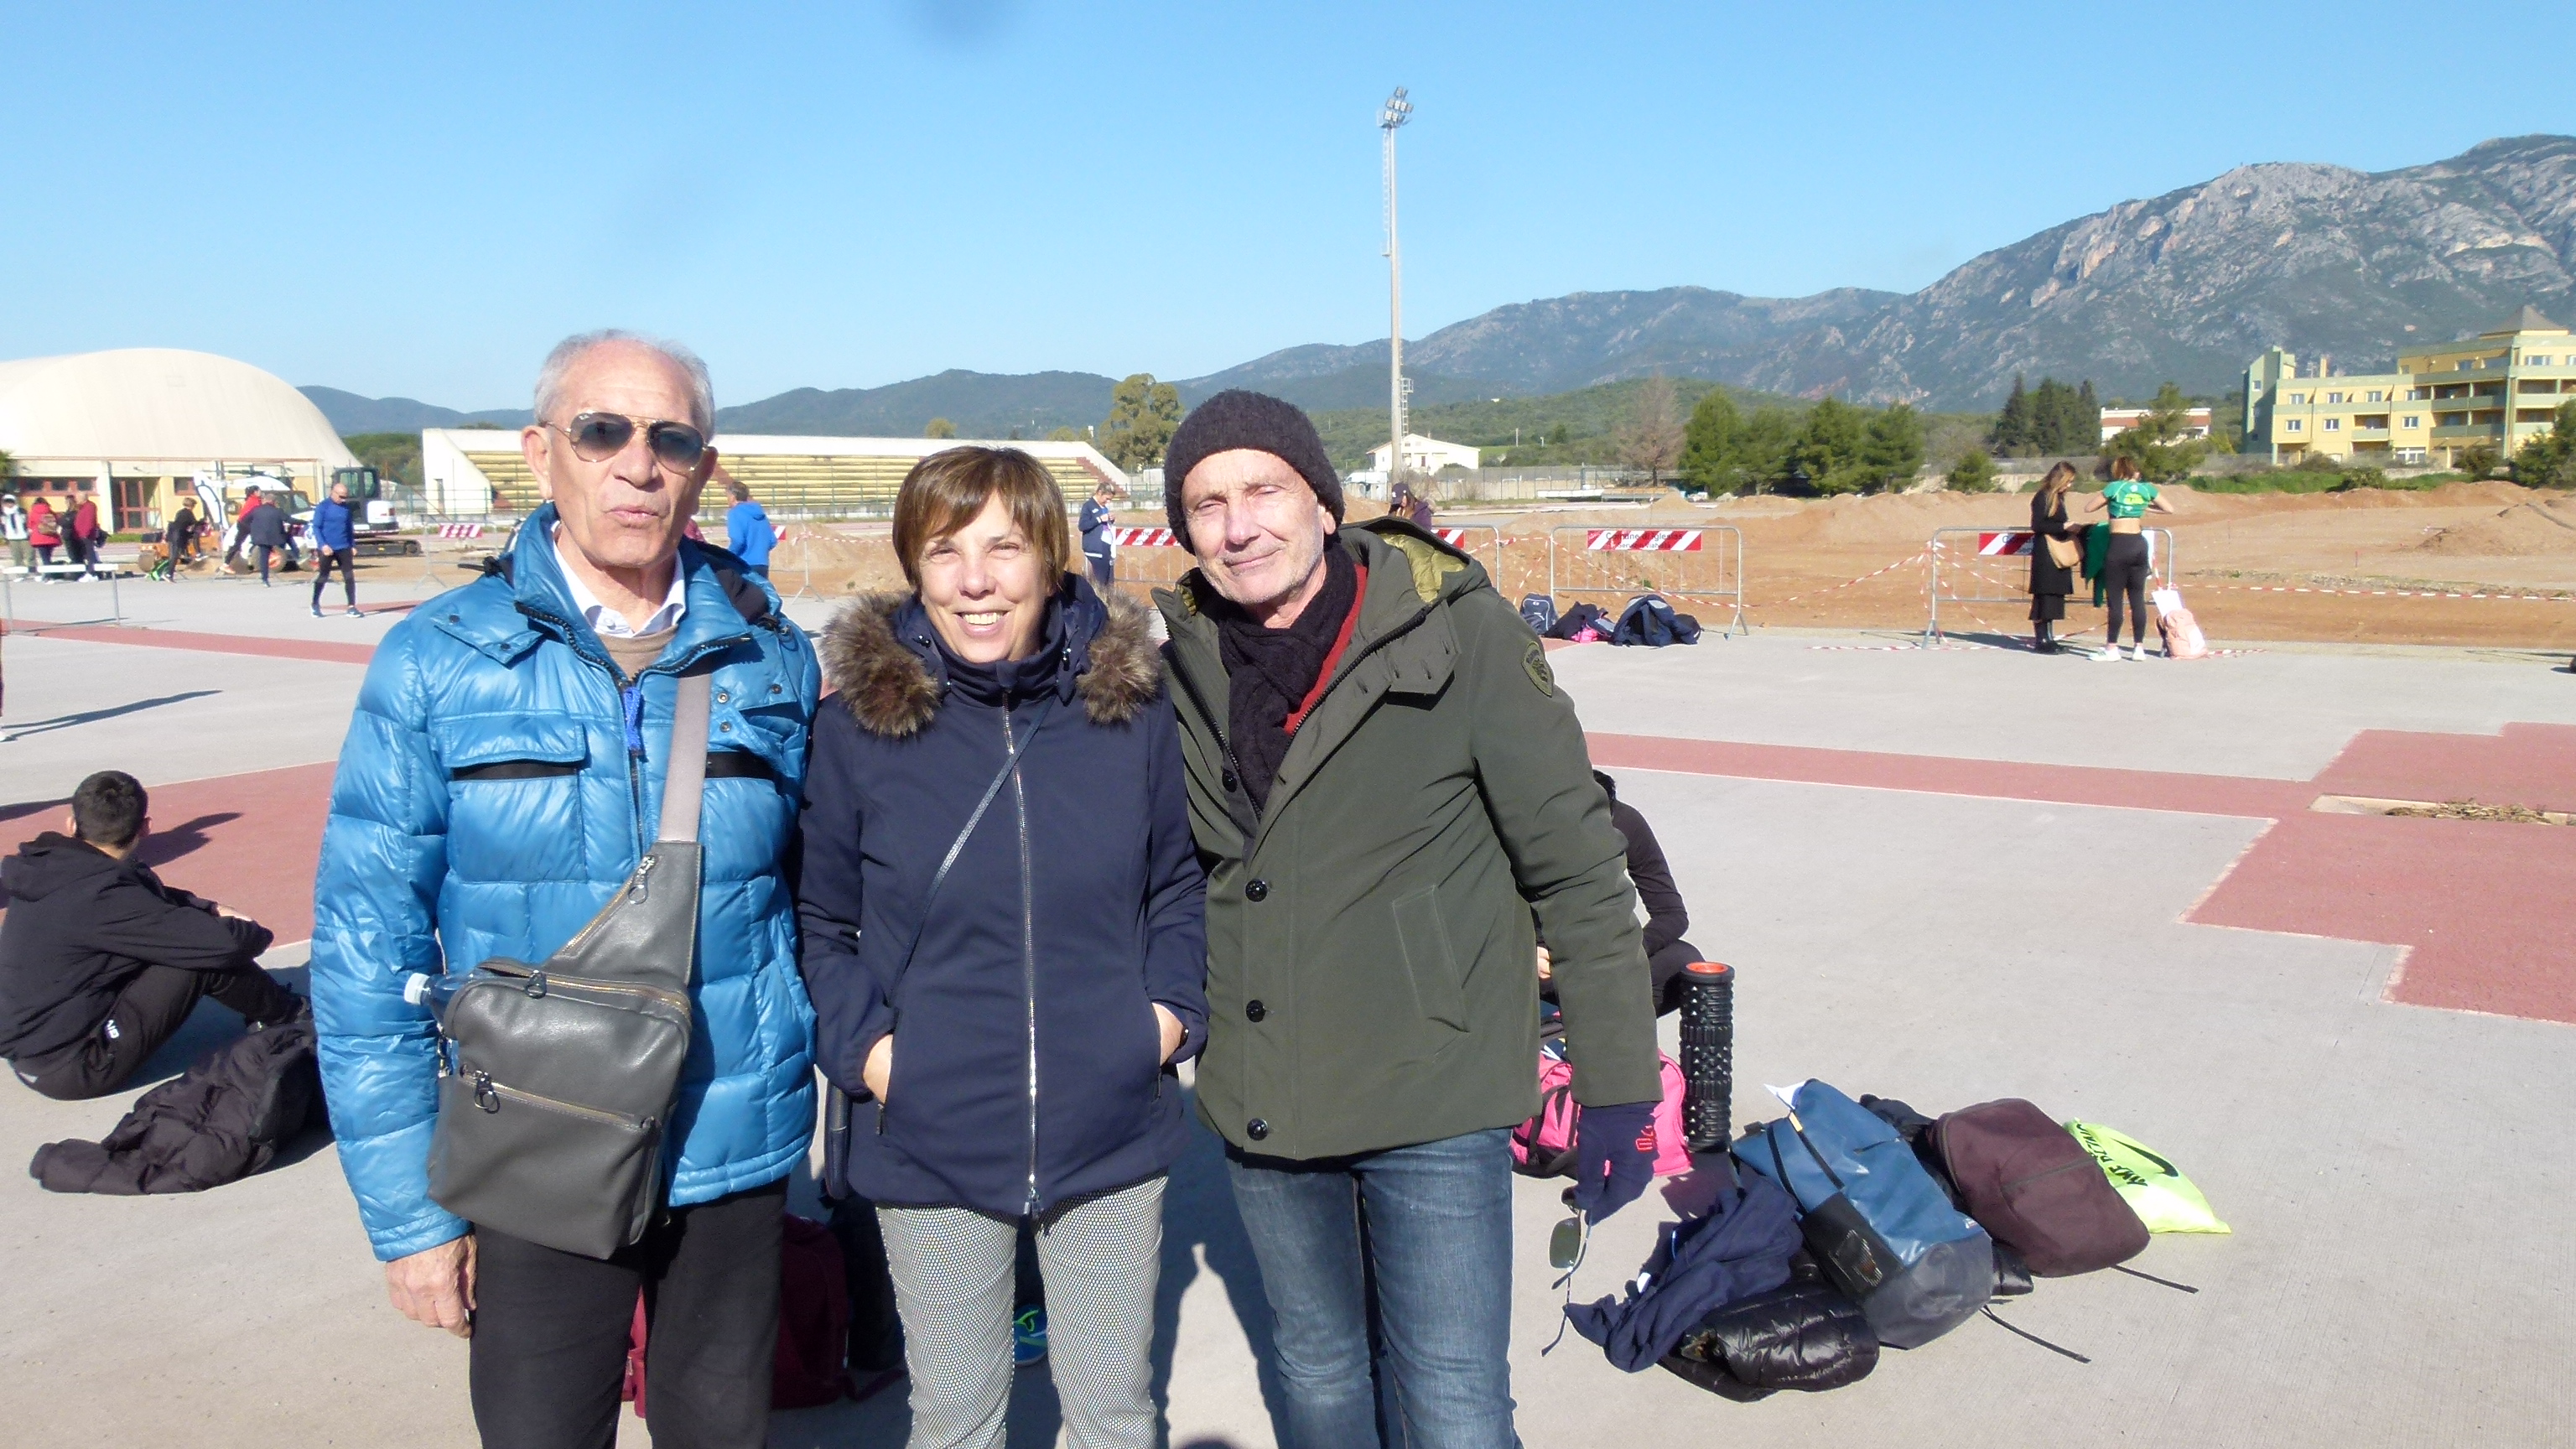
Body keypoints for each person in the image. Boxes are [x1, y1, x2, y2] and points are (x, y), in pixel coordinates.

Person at [311, 330, 821, 1449]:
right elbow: (365, 949)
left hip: (732, 1135)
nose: (638, 464)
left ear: (703, 468)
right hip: (535, 1142)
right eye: (603, 431)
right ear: (542, 453)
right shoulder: (436, 660)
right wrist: (410, 1216)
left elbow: (816, 900)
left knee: (722, 1432)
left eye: (670, 439)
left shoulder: (771, 656)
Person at [1153, 391, 1664, 1448]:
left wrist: (1617, 1082)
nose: (1239, 526)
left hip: (1434, 1084)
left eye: (1263, 491)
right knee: (1319, 1371)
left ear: (1322, 503)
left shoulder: (1460, 633)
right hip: (1267, 1091)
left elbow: (1577, 866)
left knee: (1452, 1401)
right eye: (1207, 505)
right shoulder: (1180, 665)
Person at [799, 444, 1208, 1449]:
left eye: (1005, 549)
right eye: (945, 552)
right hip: (930, 1136)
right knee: (957, 1419)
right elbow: (821, 922)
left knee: (1114, 1416)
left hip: (1108, 1127)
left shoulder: (1133, 711)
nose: (975, 581)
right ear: (914, 566)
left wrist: (1160, 1026)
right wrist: (876, 1059)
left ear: (1051, 559)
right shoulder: (857, 729)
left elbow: (1177, 886)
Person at [0, 771, 303, 1101]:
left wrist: (211, 908)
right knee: (199, 957)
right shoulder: (104, 897)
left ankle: (275, 1008)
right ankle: (292, 1017)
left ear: (72, 824)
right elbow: (226, 944)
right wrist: (253, 932)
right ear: (145, 827)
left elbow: (151, 900)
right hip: (76, 1067)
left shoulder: (54, 869)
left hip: (32, 1047)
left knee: (182, 938)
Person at [1537, 771, 1704, 1017]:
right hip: (1545, 960)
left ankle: (1597, 1024)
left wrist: (1628, 949)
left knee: (1684, 961)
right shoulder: (1529, 833)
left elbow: (1672, 914)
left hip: (1604, 956)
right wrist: (1526, 952)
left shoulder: (1626, 822)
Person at [2085, 455, 2173, 661]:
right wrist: (2143, 507)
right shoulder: (2146, 489)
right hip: (2139, 544)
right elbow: (2169, 509)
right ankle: (2139, 648)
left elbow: (2088, 508)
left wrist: (2112, 503)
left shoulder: (2114, 488)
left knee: (2115, 600)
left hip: (2119, 544)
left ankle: (2112, 648)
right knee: (2137, 598)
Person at [2027, 461, 2081, 654]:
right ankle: (2041, 640)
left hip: (2057, 554)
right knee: (2044, 597)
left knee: (2054, 598)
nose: (2070, 485)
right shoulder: (2043, 497)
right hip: (2046, 553)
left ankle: (2049, 638)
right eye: (2068, 481)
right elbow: (2038, 525)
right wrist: (2063, 527)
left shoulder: (2058, 498)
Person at [308, 480, 365, 617]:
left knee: (349, 576)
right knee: (323, 576)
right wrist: (323, 545)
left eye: (345, 497)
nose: (343, 499)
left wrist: (352, 545)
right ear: (333, 493)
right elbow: (316, 527)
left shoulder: (346, 508)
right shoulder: (323, 507)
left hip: (344, 546)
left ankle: (351, 606)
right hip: (327, 548)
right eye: (341, 496)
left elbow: (349, 528)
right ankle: (315, 604)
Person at [722, 479, 776, 579]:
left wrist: (728, 556)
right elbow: (772, 541)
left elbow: (738, 541)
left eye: (727, 496)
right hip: (763, 564)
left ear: (733, 497)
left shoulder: (735, 513)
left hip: (744, 564)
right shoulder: (761, 514)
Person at [240, 490, 292, 587]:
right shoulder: (277, 511)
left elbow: (244, 520)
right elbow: (289, 520)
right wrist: (305, 522)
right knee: (285, 543)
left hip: (259, 536)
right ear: (273, 501)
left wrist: (252, 528)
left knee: (264, 556)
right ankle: (297, 555)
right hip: (273, 537)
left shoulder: (256, 510)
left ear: (265, 500)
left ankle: (265, 578)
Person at [1078, 479, 1119, 590]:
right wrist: (1099, 519)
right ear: (1100, 493)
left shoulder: (1104, 507)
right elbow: (1082, 525)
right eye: (1107, 499)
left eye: (1110, 500)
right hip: (1096, 551)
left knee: (1109, 583)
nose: (1108, 502)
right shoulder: (1088, 506)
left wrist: (1111, 520)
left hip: (1106, 549)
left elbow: (1104, 525)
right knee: (1100, 584)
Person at [68, 491, 104, 579]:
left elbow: (89, 521)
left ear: (82, 498)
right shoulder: (82, 507)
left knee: (89, 554)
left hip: (86, 535)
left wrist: (86, 533)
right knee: (85, 554)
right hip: (81, 534)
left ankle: (92, 573)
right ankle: (88, 572)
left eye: (77, 498)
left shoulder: (90, 506)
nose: (76, 500)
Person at [29, 495, 60, 575]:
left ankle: (48, 575)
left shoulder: (33, 513)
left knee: (44, 558)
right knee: (48, 557)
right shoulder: (50, 511)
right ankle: (50, 574)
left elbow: (30, 525)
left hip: (39, 538)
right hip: (51, 537)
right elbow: (57, 522)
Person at [2, 493, 29, 574]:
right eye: (7, 502)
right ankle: (21, 574)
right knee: (17, 557)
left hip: (24, 536)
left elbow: (27, 522)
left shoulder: (21, 511)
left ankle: (33, 572)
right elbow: (2, 525)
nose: (9, 504)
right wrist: (4, 535)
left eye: (11, 502)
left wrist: (28, 531)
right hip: (11, 537)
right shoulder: (3, 513)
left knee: (29, 555)